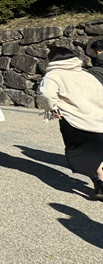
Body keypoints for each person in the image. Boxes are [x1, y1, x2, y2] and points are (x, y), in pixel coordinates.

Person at [38, 46, 103, 201]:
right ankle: (100, 182)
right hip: (98, 119)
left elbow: (46, 94)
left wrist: (52, 108)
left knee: (80, 153)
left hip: (75, 121)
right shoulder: (86, 74)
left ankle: (100, 179)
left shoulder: (54, 75)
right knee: (98, 151)